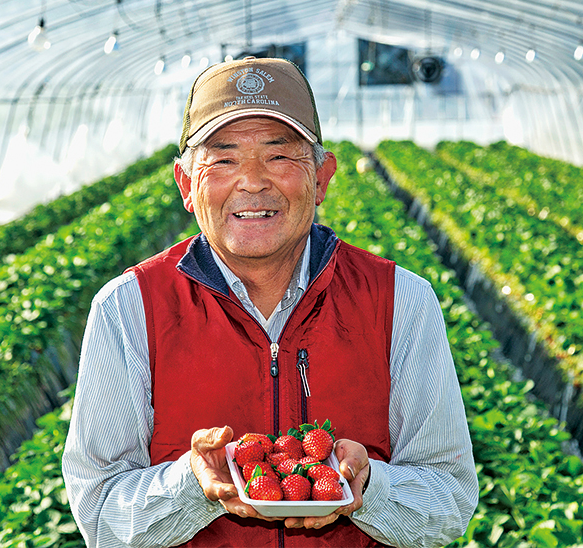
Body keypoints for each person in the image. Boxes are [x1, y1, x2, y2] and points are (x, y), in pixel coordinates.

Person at [62, 56, 478, 547]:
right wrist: (193, 485)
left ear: (322, 178)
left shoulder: (400, 300)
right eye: (224, 158)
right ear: (186, 185)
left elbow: (448, 499)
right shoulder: (130, 308)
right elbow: (101, 515)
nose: (253, 180)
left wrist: (369, 486)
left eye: (280, 155)